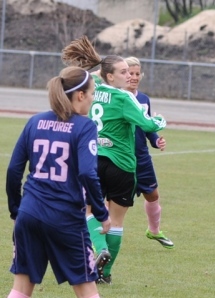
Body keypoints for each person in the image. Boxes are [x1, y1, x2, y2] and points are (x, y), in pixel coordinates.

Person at [1, 66, 123, 298]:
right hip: (65, 218)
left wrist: (18, 209)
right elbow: (85, 173)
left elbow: (15, 170)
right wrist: (101, 211)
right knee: (86, 288)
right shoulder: (84, 126)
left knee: (21, 286)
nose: (93, 100)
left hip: (30, 213)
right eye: (92, 94)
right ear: (79, 95)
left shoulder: (34, 121)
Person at [62, 36, 167, 284]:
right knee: (117, 221)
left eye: (130, 72)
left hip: (93, 160)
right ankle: (105, 274)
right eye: (122, 72)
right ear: (110, 76)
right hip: (122, 164)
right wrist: (161, 121)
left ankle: (99, 247)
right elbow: (147, 123)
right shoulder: (124, 98)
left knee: (88, 211)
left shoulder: (91, 91)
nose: (128, 76)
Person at [124, 56, 173, 249]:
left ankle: (154, 231)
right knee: (115, 201)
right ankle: (100, 236)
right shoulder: (118, 97)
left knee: (152, 194)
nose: (134, 77)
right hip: (121, 156)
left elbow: (147, 126)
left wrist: (156, 139)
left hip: (142, 157)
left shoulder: (143, 99)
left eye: (137, 73)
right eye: (130, 73)